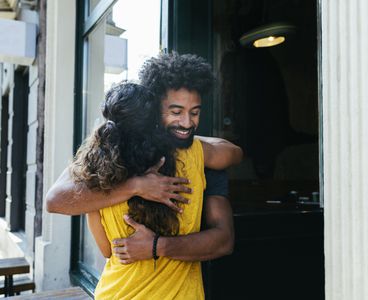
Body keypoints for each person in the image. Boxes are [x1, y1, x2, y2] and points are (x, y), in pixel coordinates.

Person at [46, 53, 242, 299]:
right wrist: (136, 186)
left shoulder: (102, 161)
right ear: (154, 111)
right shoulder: (194, 153)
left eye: (194, 112)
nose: (187, 122)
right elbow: (54, 201)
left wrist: (156, 246)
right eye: (176, 111)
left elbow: (106, 249)